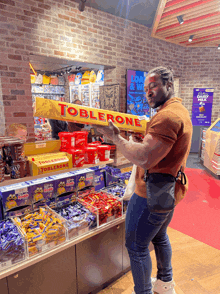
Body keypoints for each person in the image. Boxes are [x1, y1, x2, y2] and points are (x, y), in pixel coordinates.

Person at [96, 66, 193, 294]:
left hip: (150, 194)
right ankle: (165, 284)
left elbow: (144, 157)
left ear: (169, 86)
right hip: (167, 191)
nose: (148, 92)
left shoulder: (167, 116)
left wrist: (116, 138)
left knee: (137, 247)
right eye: (146, 88)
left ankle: (144, 291)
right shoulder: (178, 110)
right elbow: (160, 149)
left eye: (154, 86)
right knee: (159, 236)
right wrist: (144, 139)